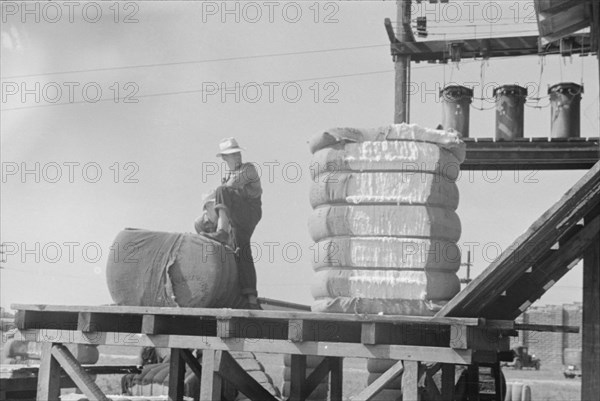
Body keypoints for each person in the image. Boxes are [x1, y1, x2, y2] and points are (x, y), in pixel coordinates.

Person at [200, 137, 262, 309]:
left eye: (237, 154)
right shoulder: (227, 177)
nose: (236, 157)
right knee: (241, 247)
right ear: (225, 159)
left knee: (222, 191)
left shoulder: (248, 170)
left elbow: (228, 188)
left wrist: (215, 203)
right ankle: (249, 298)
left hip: (248, 212)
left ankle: (222, 231)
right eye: (232, 155)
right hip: (236, 216)